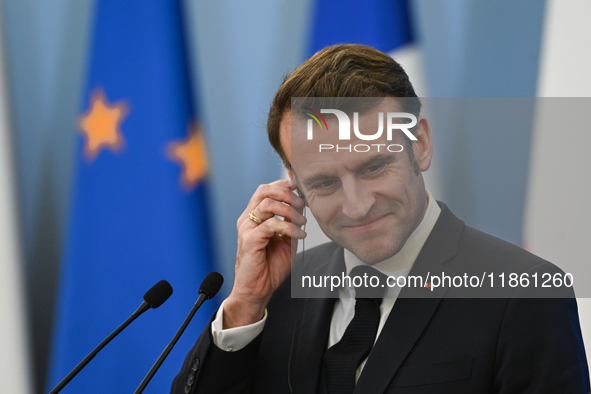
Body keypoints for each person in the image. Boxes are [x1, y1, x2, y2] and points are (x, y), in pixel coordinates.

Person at [171, 44, 590, 393]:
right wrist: (245, 305)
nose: (356, 206)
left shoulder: (525, 295)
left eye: (373, 168)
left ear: (420, 144)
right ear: (292, 184)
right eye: (324, 183)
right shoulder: (276, 295)